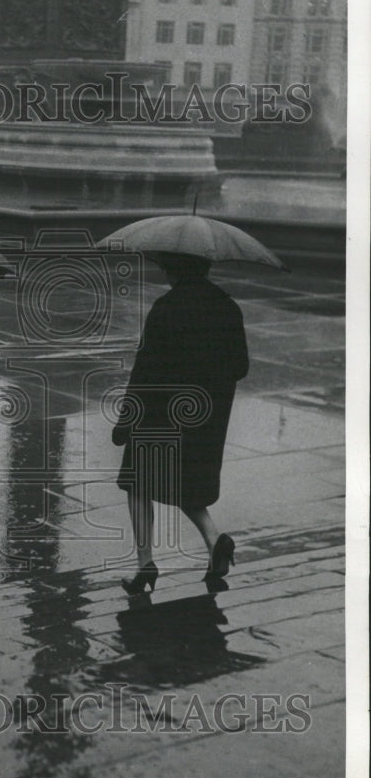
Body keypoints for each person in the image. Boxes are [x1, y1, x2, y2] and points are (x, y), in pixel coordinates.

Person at [113, 252, 249, 596]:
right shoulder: (228, 308)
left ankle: (145, 563)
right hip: (205, 419)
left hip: (159, 416)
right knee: (186, 484)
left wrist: (127, 418)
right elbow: (241, 366)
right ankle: (214, 540)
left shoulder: (166, 307)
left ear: (174, 270)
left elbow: (144, 371)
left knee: (138, 482)